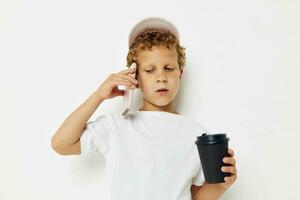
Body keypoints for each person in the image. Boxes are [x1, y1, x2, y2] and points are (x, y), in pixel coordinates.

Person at [51, 17, 237, 200]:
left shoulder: (196, 134)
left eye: (169, 68)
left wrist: (219, 186)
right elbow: (61, 144)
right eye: (149, 70)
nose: (161, 77)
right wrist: (99, 95)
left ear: (180, 72)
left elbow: (196, 197)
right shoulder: (116, 127)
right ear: (135, 76)